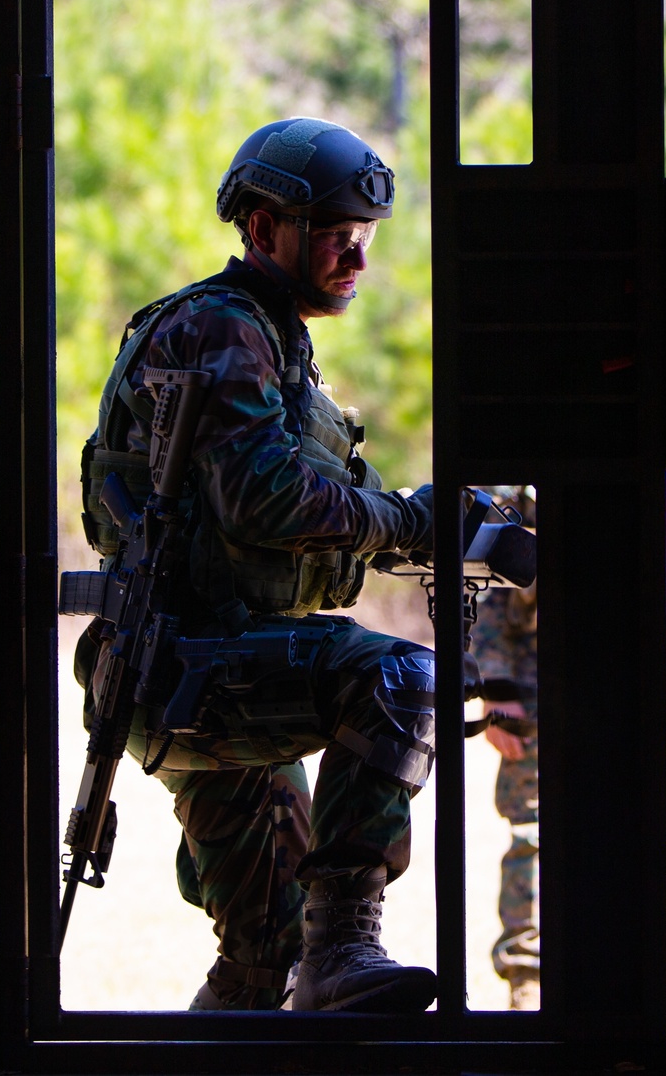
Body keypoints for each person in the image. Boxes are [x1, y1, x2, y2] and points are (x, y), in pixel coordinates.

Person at [74, 116, 440, 1014]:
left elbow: (313, 506)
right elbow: (264, 499)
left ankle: (309, 962)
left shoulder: (270, 342)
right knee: (398, 676)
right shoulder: (221, 327)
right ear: (263, 226)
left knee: (258, 961)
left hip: (209, 669)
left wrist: (435, 524)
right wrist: (404, 525)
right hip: (194, 669)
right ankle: (345, 941)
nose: (353, 258)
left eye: (362, 239)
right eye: (331, 236)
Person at [471, 545, 540, 1012]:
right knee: (533, 835)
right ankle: (528, 970)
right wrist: (495, 688)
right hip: (536, 695)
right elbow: (491, 594)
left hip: (637, 688)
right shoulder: (526, 488)